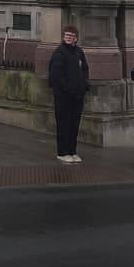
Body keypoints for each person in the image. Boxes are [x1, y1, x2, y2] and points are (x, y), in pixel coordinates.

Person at [48, 24, 90, 164]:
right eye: (66, 35)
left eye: (71, 36)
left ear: (76, 38)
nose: (68, 38)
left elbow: (85, 69)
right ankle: (62, 152)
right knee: (64, 124)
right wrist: (66, 89)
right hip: (63, 97)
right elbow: (56, 76)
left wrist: (84, 85)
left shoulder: (79, 52)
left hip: (77, 96)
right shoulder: (59, 53)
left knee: (74, 124)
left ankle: (72, 151)